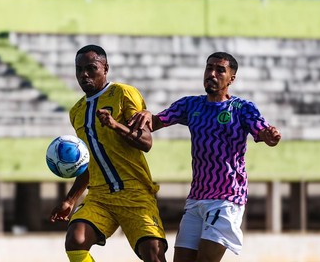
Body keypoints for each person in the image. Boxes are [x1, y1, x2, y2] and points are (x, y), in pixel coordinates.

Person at [129, 51, 281, 262]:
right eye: (209, 68)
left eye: (220, 70)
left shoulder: (242, 108)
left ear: (231, 78)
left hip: (227, 199)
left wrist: (270, 135)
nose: (212, 73)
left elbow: (262, 132)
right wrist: (146, 115)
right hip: (196, 199)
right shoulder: (191, 105)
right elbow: (155, 122)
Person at [50, 45, 168, 262]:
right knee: (75, 240)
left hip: (135, 192)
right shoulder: (76, 111)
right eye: (79, 69)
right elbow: (90, 162)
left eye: (91, 68)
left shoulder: (124, 93)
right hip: (100, 196)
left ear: (105, 68)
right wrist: (70, 200)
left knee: (153, 253)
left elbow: (146, 142)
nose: (84, 74)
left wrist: (115, 125)